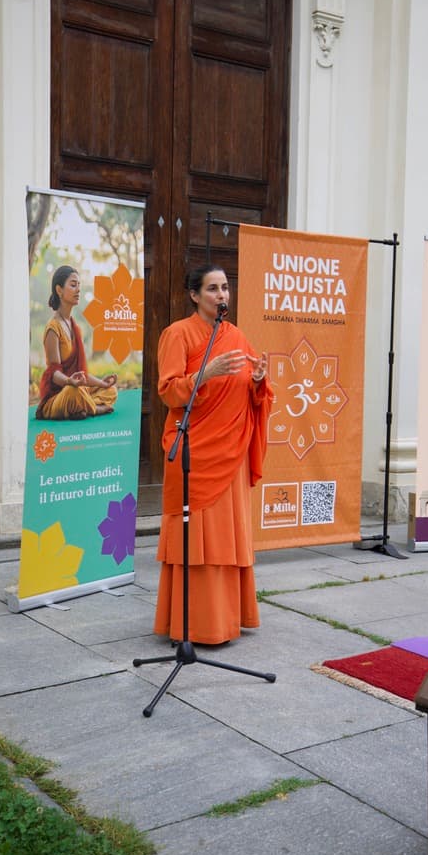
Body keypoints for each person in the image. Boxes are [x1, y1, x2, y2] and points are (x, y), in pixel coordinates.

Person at [153, 264, 272, 646]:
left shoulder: (237, 336)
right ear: (194, 295)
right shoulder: (178, 334)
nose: (222, 295)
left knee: (226, 540)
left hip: (231, 453)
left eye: (225, 289)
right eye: (212, 289)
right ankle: (193, 624)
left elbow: (256, 396)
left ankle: (227, 620)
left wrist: (258, 382)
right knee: (195, 541)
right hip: (194, 455)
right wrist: (204, 374)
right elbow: (168, 392)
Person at [36, 265, 118, 420]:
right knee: (74, 392)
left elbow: (82, 376)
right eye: (73, 285)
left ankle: (81, 408)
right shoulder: (53, 329)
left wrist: (102, 383)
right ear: (59, 290)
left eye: (79, 285)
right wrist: (69, 381)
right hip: (59, 396)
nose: (78, 290)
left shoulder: (75, 327)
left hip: (76, 387)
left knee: (111, 390)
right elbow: (53, 374)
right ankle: (95, 409)